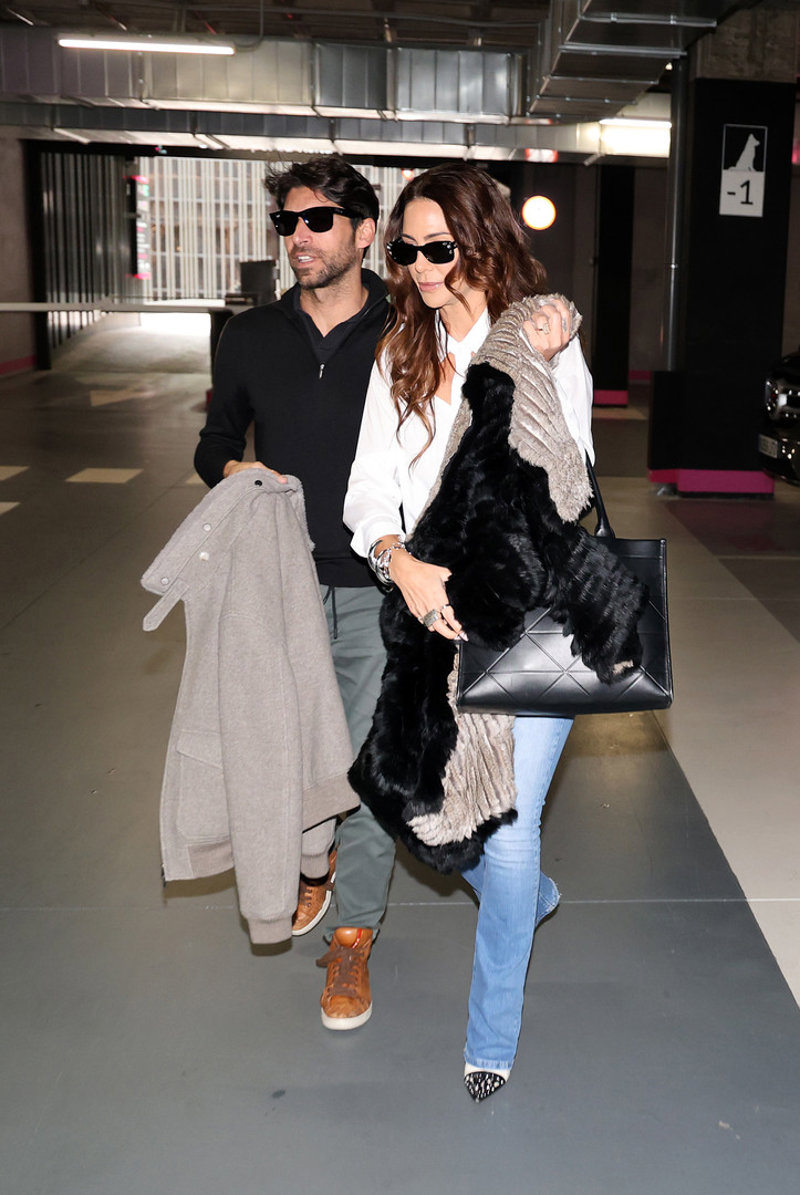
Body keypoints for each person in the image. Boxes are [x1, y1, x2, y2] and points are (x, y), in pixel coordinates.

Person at [343, 162, 644, 1102]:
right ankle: (529, 898)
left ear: (482, 241)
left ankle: (491, 1037)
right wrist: (400, 559)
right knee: (409, 799)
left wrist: (539, 357)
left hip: (526, 620)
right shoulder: (400, 353)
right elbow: (366, 486)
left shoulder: (541, 336)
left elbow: (565, 479)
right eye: (407, 250)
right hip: (429, 618)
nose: (422, 267)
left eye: (439, 247)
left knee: (507, 833)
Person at [193, 155, 398, 1029]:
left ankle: (353, 933)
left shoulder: (408, 326)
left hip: (378, 583)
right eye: (287, 222)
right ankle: (314, 862)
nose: (298, 237)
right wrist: (236, 471)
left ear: (365, 231)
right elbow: (214, 440)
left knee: (367, 762)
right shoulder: (250, 335)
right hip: (277, 581)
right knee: (282, 749)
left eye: (318, 220)